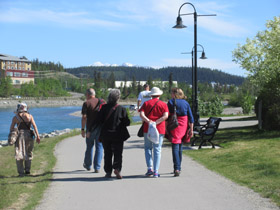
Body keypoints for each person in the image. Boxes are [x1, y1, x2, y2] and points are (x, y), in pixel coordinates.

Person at [98, 89, 130, 179]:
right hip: (118, 134)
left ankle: (108, 172)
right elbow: (127, 122)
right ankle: (117, 168)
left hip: (106, 134)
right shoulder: (122, 109)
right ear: (118, 98)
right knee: (118, 153)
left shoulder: (104, 108)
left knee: (107, 153)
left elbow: (99, 121)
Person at [139, 87, 169, 178]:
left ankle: (149, 168)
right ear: (159, 95)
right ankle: (156, 171)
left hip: (147, 128)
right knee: (157, 149)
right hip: (159, 129)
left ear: (151, 95)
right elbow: (165, 116)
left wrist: (148, 121)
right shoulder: (163, 104)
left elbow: (141, 114)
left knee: (147, 148)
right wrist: (157, 122)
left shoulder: (146, 103)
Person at [167, 88, 194, 177]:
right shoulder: (185, 103)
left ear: (175, 94)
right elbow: (191, 117)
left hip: (175, 124)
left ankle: (176, 168)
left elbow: (167, 115)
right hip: (184, 125)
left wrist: (166, 127)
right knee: (180, 145)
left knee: (175, 145)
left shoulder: (171, 102)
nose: (171, 94)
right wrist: (191, 129)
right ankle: (179, 167)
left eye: (171, 93)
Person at [9, 102, 40, 177]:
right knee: (28, 152)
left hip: (20, 136)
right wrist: (38, 136)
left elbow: (11, 128)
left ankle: (21, 172)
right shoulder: (30, 116)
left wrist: (12, 135)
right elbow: (35, 126)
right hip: (29, 135)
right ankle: (27, 170)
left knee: (19, 152)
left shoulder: (15, 117)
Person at [81, 88, 105, 173]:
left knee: (89, 147)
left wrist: (83, 129)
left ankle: (88, 165)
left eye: (86, 95)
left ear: (88, 95)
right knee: (99, 147)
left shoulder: (86, 103)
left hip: (90, 129)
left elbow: (84, 117)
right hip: (100, 128)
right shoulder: (102, 101)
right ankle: (97, 167)